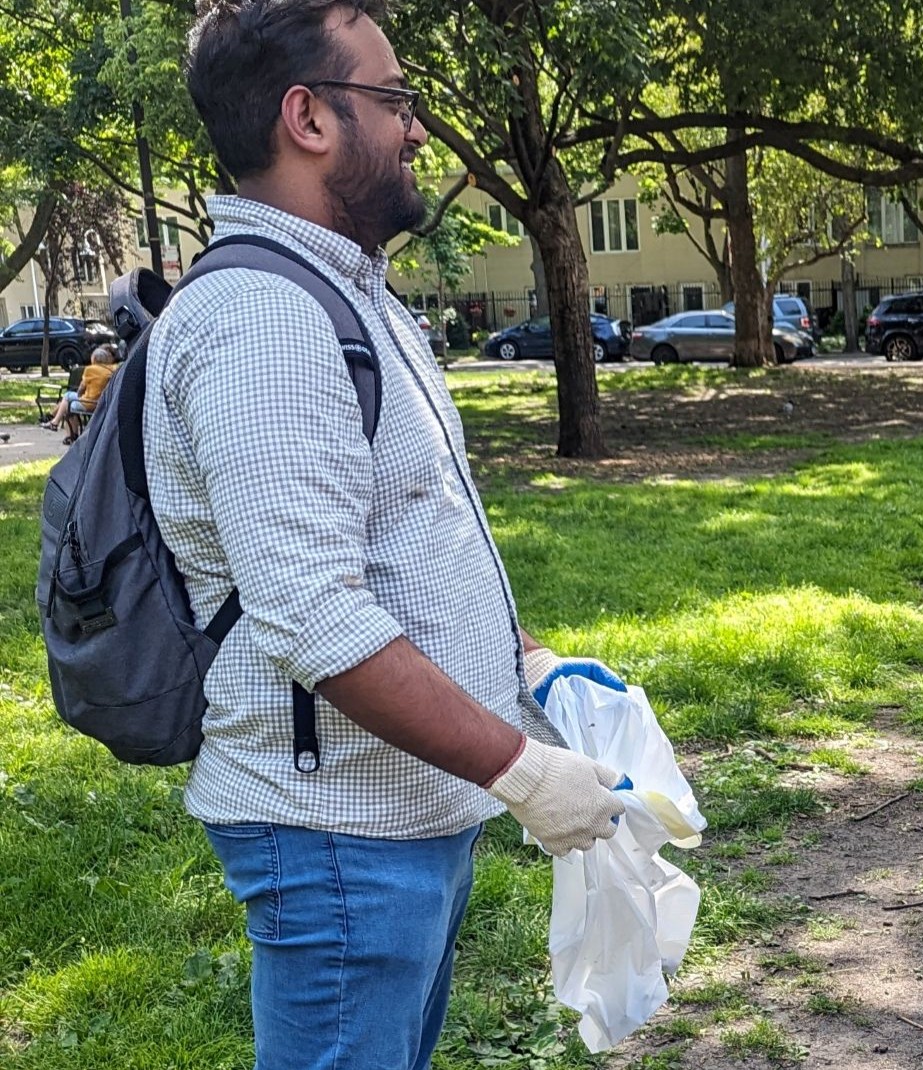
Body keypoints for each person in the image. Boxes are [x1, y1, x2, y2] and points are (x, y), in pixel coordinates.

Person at [151, 3, 630, 1067]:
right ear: (308, 117)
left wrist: (523, 665)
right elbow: (312, 612)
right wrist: (519, 768)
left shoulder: (342, 292)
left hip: (396, 813)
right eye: (395, 100)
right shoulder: (264, 321)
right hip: (335, 835)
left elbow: (403, 532)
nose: (417, 130)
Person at [42, 344, 118, 443]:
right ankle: (59, 425)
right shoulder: (113, 370)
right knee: (68, 402)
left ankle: (60, 426)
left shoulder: (91, 369)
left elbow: (81, 389)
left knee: (68, 398)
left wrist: (79, 394)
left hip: (89, 403)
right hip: (105, 403)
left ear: (94, 358)